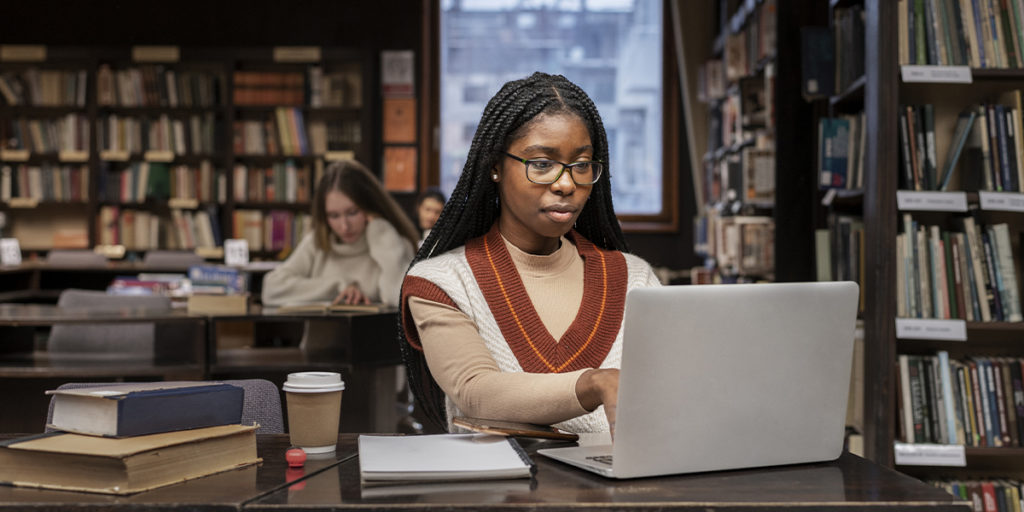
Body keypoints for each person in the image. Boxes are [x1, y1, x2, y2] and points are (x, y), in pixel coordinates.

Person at [399, 72, 661, 434]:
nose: (567, 183)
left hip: (620, 487)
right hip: (497, 490)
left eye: (581, 165)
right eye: (542, 164)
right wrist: (593, 383)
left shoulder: (636, 279)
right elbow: (477, 392)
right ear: (495, 167)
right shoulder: (441, 283)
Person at [261, 159, 418, 307]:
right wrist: (340, 285)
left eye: (352, 212)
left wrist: (381, 232)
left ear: (370, 207)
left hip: (374, 336)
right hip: (319, 337)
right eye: (333, 216)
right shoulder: (317, 243)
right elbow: (271, 290)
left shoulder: (393, 243)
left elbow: (400, 299)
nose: (344, 227)